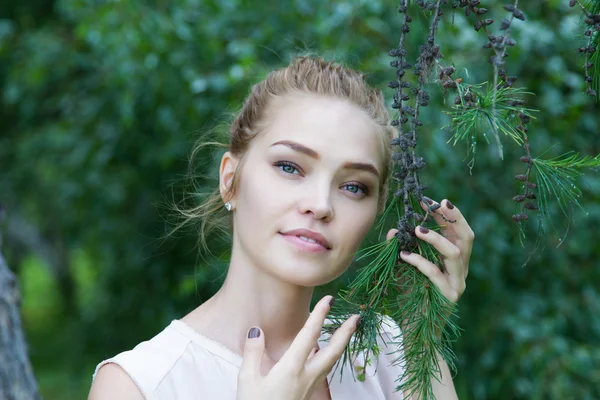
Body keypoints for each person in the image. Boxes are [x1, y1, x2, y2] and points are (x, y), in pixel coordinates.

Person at [88, 56, 473, 399]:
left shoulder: (386, 351)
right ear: (230, 180)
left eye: (354, 187)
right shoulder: (140, 385)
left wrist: (422, 337)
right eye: (290, 167)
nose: (320, 205)